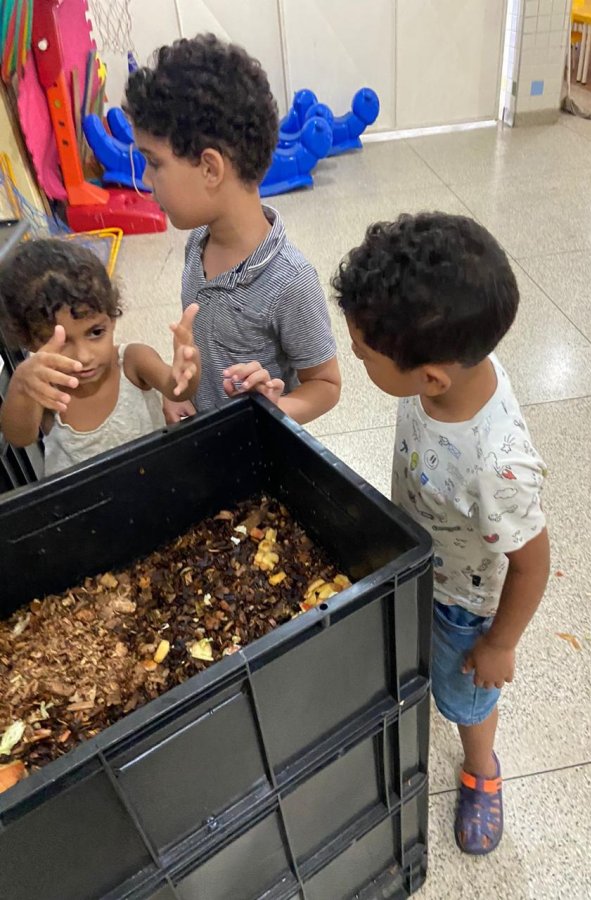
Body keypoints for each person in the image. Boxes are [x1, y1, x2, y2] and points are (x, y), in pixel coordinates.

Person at [332, 213, 550, 855]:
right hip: (417, 553)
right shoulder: (446, 362)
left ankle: (482, 768)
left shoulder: (497, 467)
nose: (356, 357)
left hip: (463, 604)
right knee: (406, 652)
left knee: (466, 698)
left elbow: (533, 564)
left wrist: (500, 644)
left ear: (431, 377)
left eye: (363, 354)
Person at [124, 34, 341, 425]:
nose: (146, 179)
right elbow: (200, 347)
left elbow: (325, 384)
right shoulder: (198, 242)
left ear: (210, 168)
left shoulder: (291, 282)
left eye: (154, 163)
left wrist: (275, 407)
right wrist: (181, 389)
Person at [0, 239, 200, 476]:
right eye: (59, 341)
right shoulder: (45, 386)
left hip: (153, 480)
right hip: (83, 496)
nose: (83, 356)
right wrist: (21, 386)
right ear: (28, 341)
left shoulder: (133, 361)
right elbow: (19, 437)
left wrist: (188, 368)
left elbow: (177, 391)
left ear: (112, 318)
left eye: (95, 332)